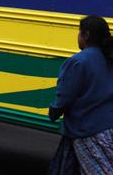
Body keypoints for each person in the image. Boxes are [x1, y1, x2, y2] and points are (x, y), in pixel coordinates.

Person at [48, 15, 113, 174]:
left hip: (88, 130)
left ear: (87, 35)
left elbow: (65, 96)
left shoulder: (79, 61)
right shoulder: (108, 58)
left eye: (79, 32)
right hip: (107, 128)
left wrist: (54, 111)